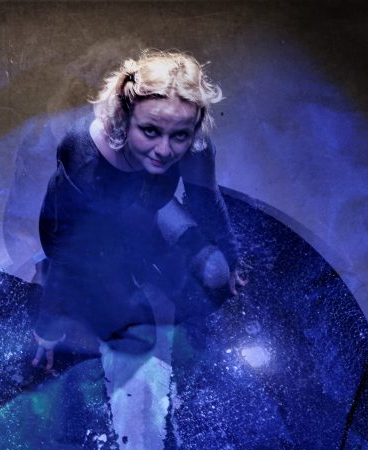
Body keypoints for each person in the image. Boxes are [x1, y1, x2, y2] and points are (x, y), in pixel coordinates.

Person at [31, 50, 245, 371]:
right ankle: (97, 275)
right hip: (89, 235)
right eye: (150, 131)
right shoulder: (86, 163)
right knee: (136, 335)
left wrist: (232, 256)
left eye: (180, 135)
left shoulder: (193, 143)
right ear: (124, 118)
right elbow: (66, 256)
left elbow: (206, 198)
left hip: (147, 205)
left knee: (217, 273)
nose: (164, 150)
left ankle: (148, 254)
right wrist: (48, 331)